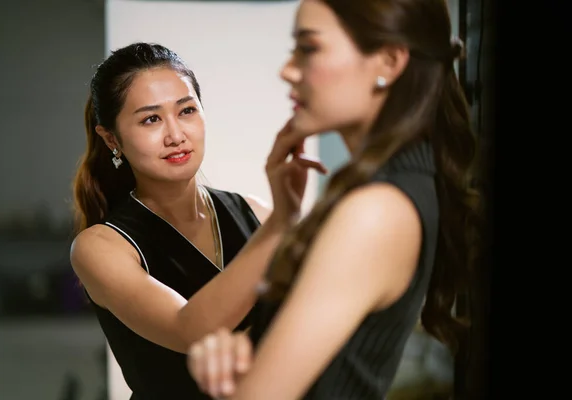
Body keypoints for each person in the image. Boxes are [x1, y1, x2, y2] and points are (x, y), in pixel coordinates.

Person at [186, 0, 481, 399]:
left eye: (308, 48)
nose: (287, 70)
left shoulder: (374, 211)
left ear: (389, 62)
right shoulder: (395, 186)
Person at [70, 42, 326, 399]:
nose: (176, 135)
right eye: (151, 119)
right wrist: (283, 224)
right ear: (112, 138)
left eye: (186, 110)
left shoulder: (256, 213)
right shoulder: (101, 247)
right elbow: (189, 329)